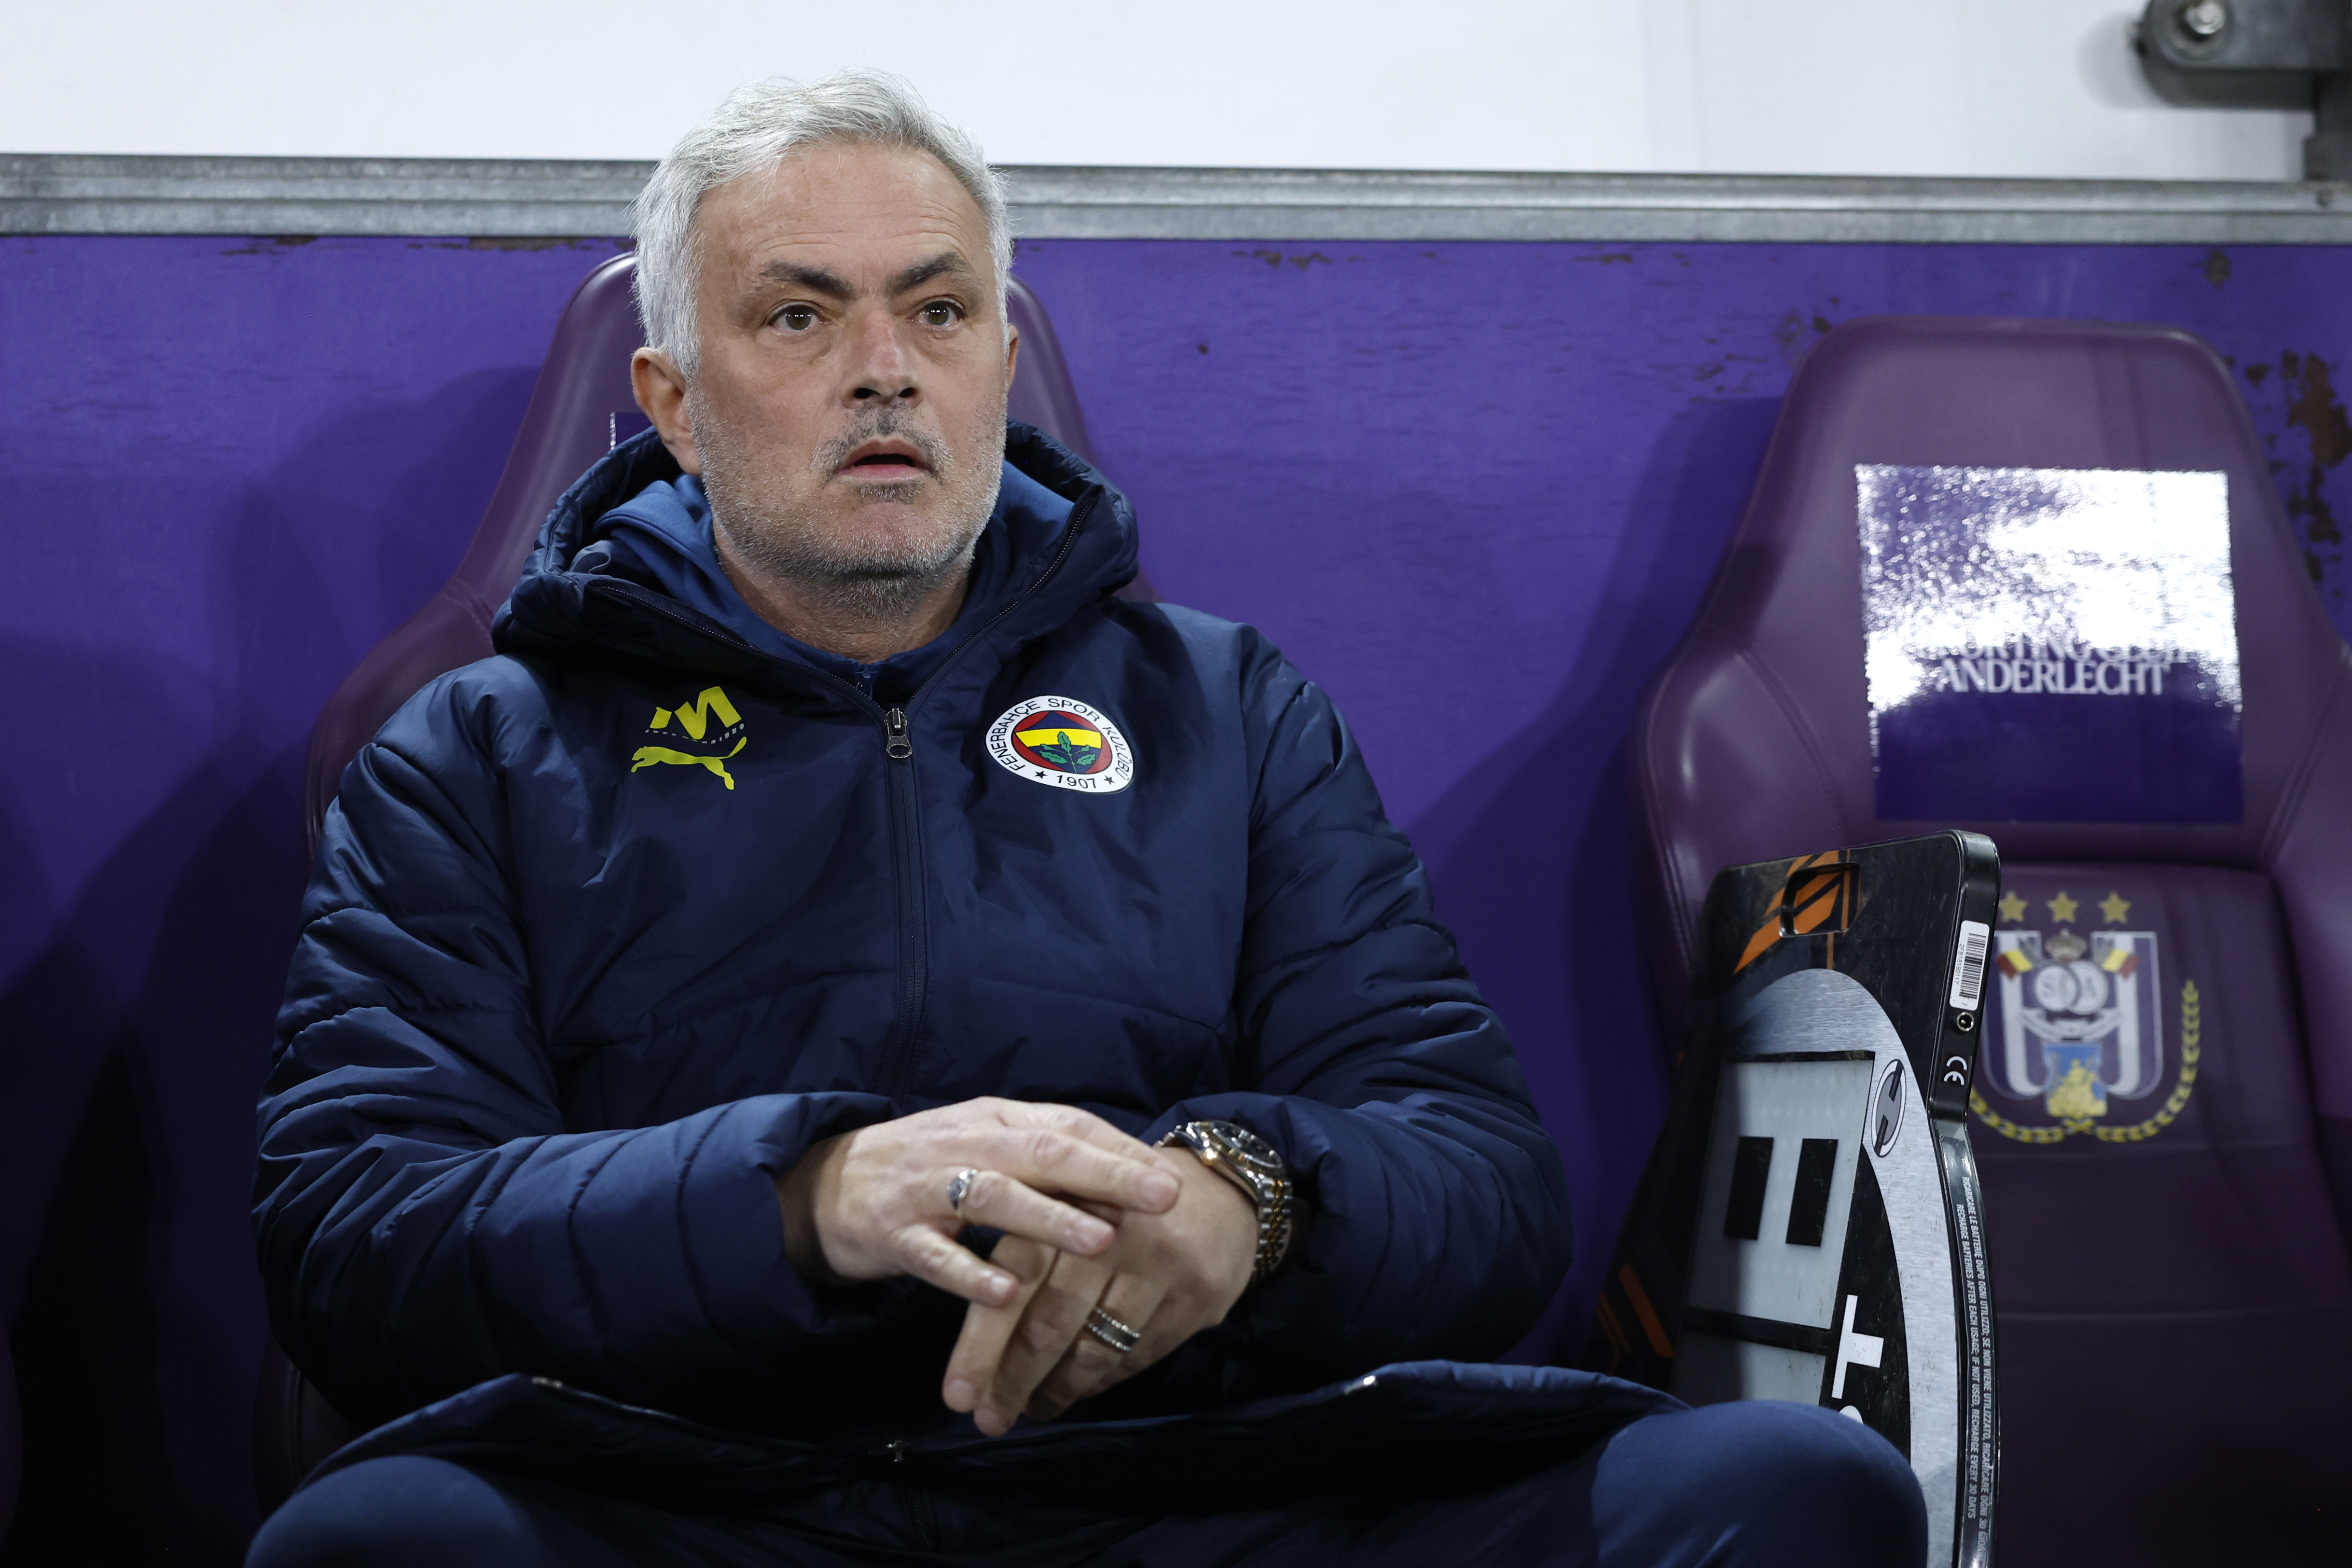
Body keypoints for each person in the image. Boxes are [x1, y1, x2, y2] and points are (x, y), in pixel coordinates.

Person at [247, 71, 1924, 1568]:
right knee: (375, 1539)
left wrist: (1250, 1197)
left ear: (1000, 353)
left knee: (1790, 1485)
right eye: (799, 318)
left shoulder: (1227, 711)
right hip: (702, 1488)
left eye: (940, 310)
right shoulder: (472, 753)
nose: (885, 372)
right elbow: (358, 1237)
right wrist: (799, 1196)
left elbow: (1480, 1178)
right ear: (674, 403)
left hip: (1197, 1478)